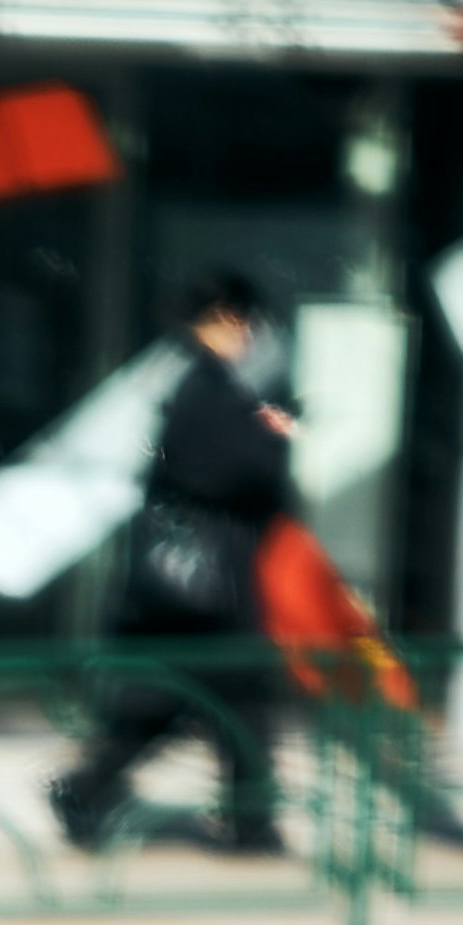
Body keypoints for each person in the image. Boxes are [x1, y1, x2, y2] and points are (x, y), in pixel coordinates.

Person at [49, 269, 300, 857]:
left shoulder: (184, 378)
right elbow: (231, 472)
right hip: (208, 584)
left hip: (197, 584)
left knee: (196, 700)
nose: (251, 335)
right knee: (221, 698)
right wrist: (274, 441)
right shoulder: (205, 386)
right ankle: (244, 822)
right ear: (227, 317)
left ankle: (244, 820)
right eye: (247, 322)